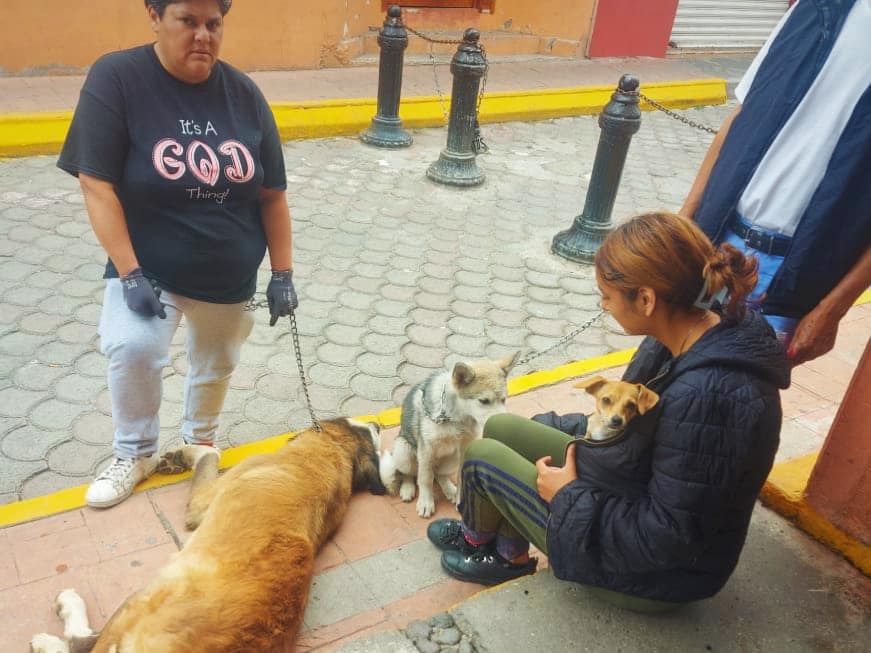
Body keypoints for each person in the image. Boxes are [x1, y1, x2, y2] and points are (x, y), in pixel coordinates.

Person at [427, 212, 790, 611]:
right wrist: (553, 428)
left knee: (482, 457)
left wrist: (568, 494)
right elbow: (622, 427)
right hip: (627, 484)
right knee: (501, 428)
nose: (603, 304)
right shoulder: (689, 330)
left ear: (647, 299)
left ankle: (502, 557)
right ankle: (483, 534)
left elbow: (666, 538)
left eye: (607, 294)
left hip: (654, 577)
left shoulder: (711, 398)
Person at [57, 0, 297, 508]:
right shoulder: (117, 78)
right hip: (147, 268)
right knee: (133, 347)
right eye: (187, 21)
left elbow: (272, 194)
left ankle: (200, 443)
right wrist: (128, 273)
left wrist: (283, 274)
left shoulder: (244, 94)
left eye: (214, 24)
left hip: (228, 274)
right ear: (154, 16)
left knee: (216, 363)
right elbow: (95, 183)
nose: (203, 36)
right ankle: (135, 452)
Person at [681, 0, 871, 366]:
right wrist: (684, 221)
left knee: (733, 400)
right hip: (718, 246)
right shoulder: (814, 11)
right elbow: (741, 115)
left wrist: (835, 308)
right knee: (661, 371)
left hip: (796, 278)